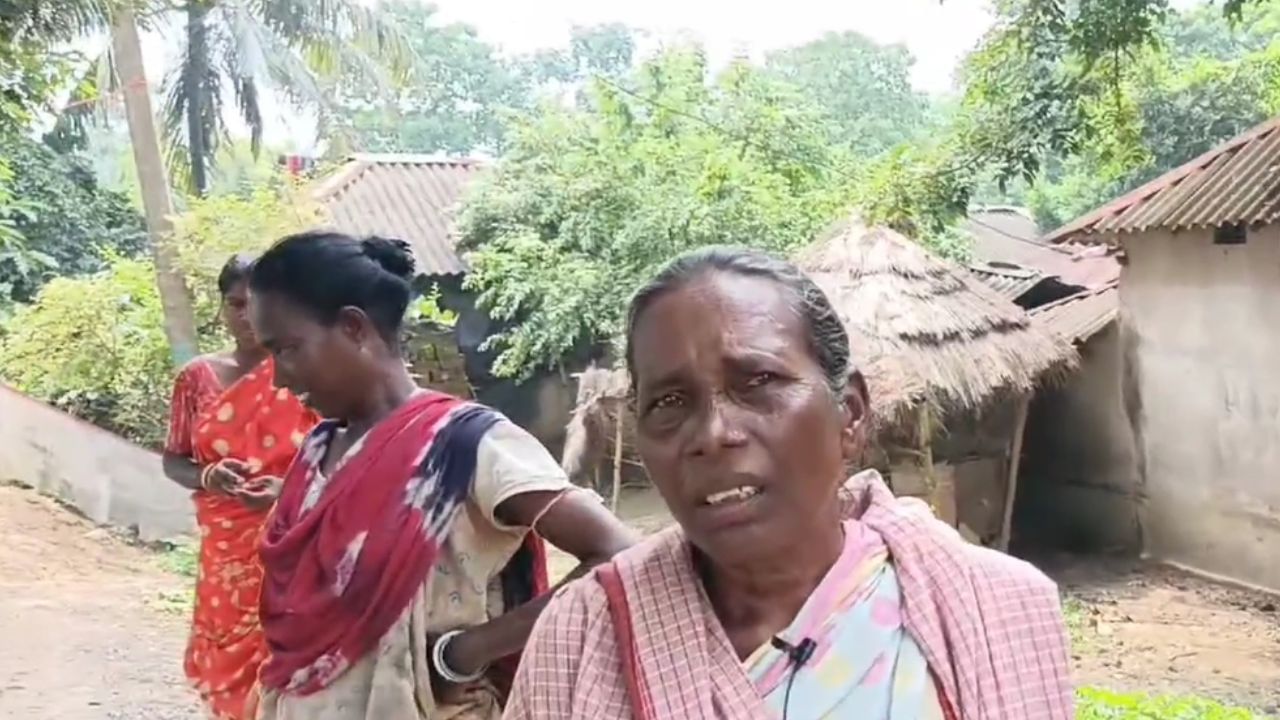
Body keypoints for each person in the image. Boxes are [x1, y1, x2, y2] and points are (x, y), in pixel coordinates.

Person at [505, 247, 1074, 720]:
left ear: (848, 414)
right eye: (670, 402)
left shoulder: (998, 608)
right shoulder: (580, 639)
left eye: (758, 381)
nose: (713, 434)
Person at [245, 230, 638, 720]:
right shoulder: (318, 450)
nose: (279, 379)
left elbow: (619, 555)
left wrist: (464, 653)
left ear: (352, 328)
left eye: (286, 349)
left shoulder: (465, 444)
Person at [163, 253, 319, 720]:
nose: (247, 316)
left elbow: (341, 457)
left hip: (292, 544)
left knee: (286, 661)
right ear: (222, 307)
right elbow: (174, 459)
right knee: (227, 665)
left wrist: (286, 489)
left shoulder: (309, 374)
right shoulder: (197, 378)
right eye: (235, 304)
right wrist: (207, 476)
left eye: (258, 304)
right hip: (226, 553)